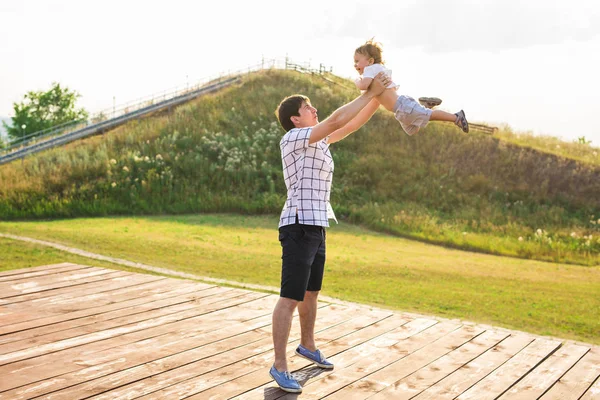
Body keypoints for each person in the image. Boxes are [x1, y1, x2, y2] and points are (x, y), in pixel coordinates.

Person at [270, 72, 389, 393]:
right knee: (290, 297)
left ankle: (307, 345)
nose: (315, 110)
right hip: (297, 225)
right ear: (296, 119)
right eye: (309, 108)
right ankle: (279, 365)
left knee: (311, 292)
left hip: (317, 223)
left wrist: (379, 97)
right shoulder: (293, 138)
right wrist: (369, 93)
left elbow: (349, 125)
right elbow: (337, 120)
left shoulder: (319, 140)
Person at [354, 39, 469, 135]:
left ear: (370, 61)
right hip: (401, 108)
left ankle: (456, 117)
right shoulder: (378, 69)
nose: (355, 65)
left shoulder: (371, 69)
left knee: (430, 116)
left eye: (357, 61)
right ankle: (424, 106)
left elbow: (363, 85)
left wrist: (357, 80)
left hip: (403, 107)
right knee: (411, 130)